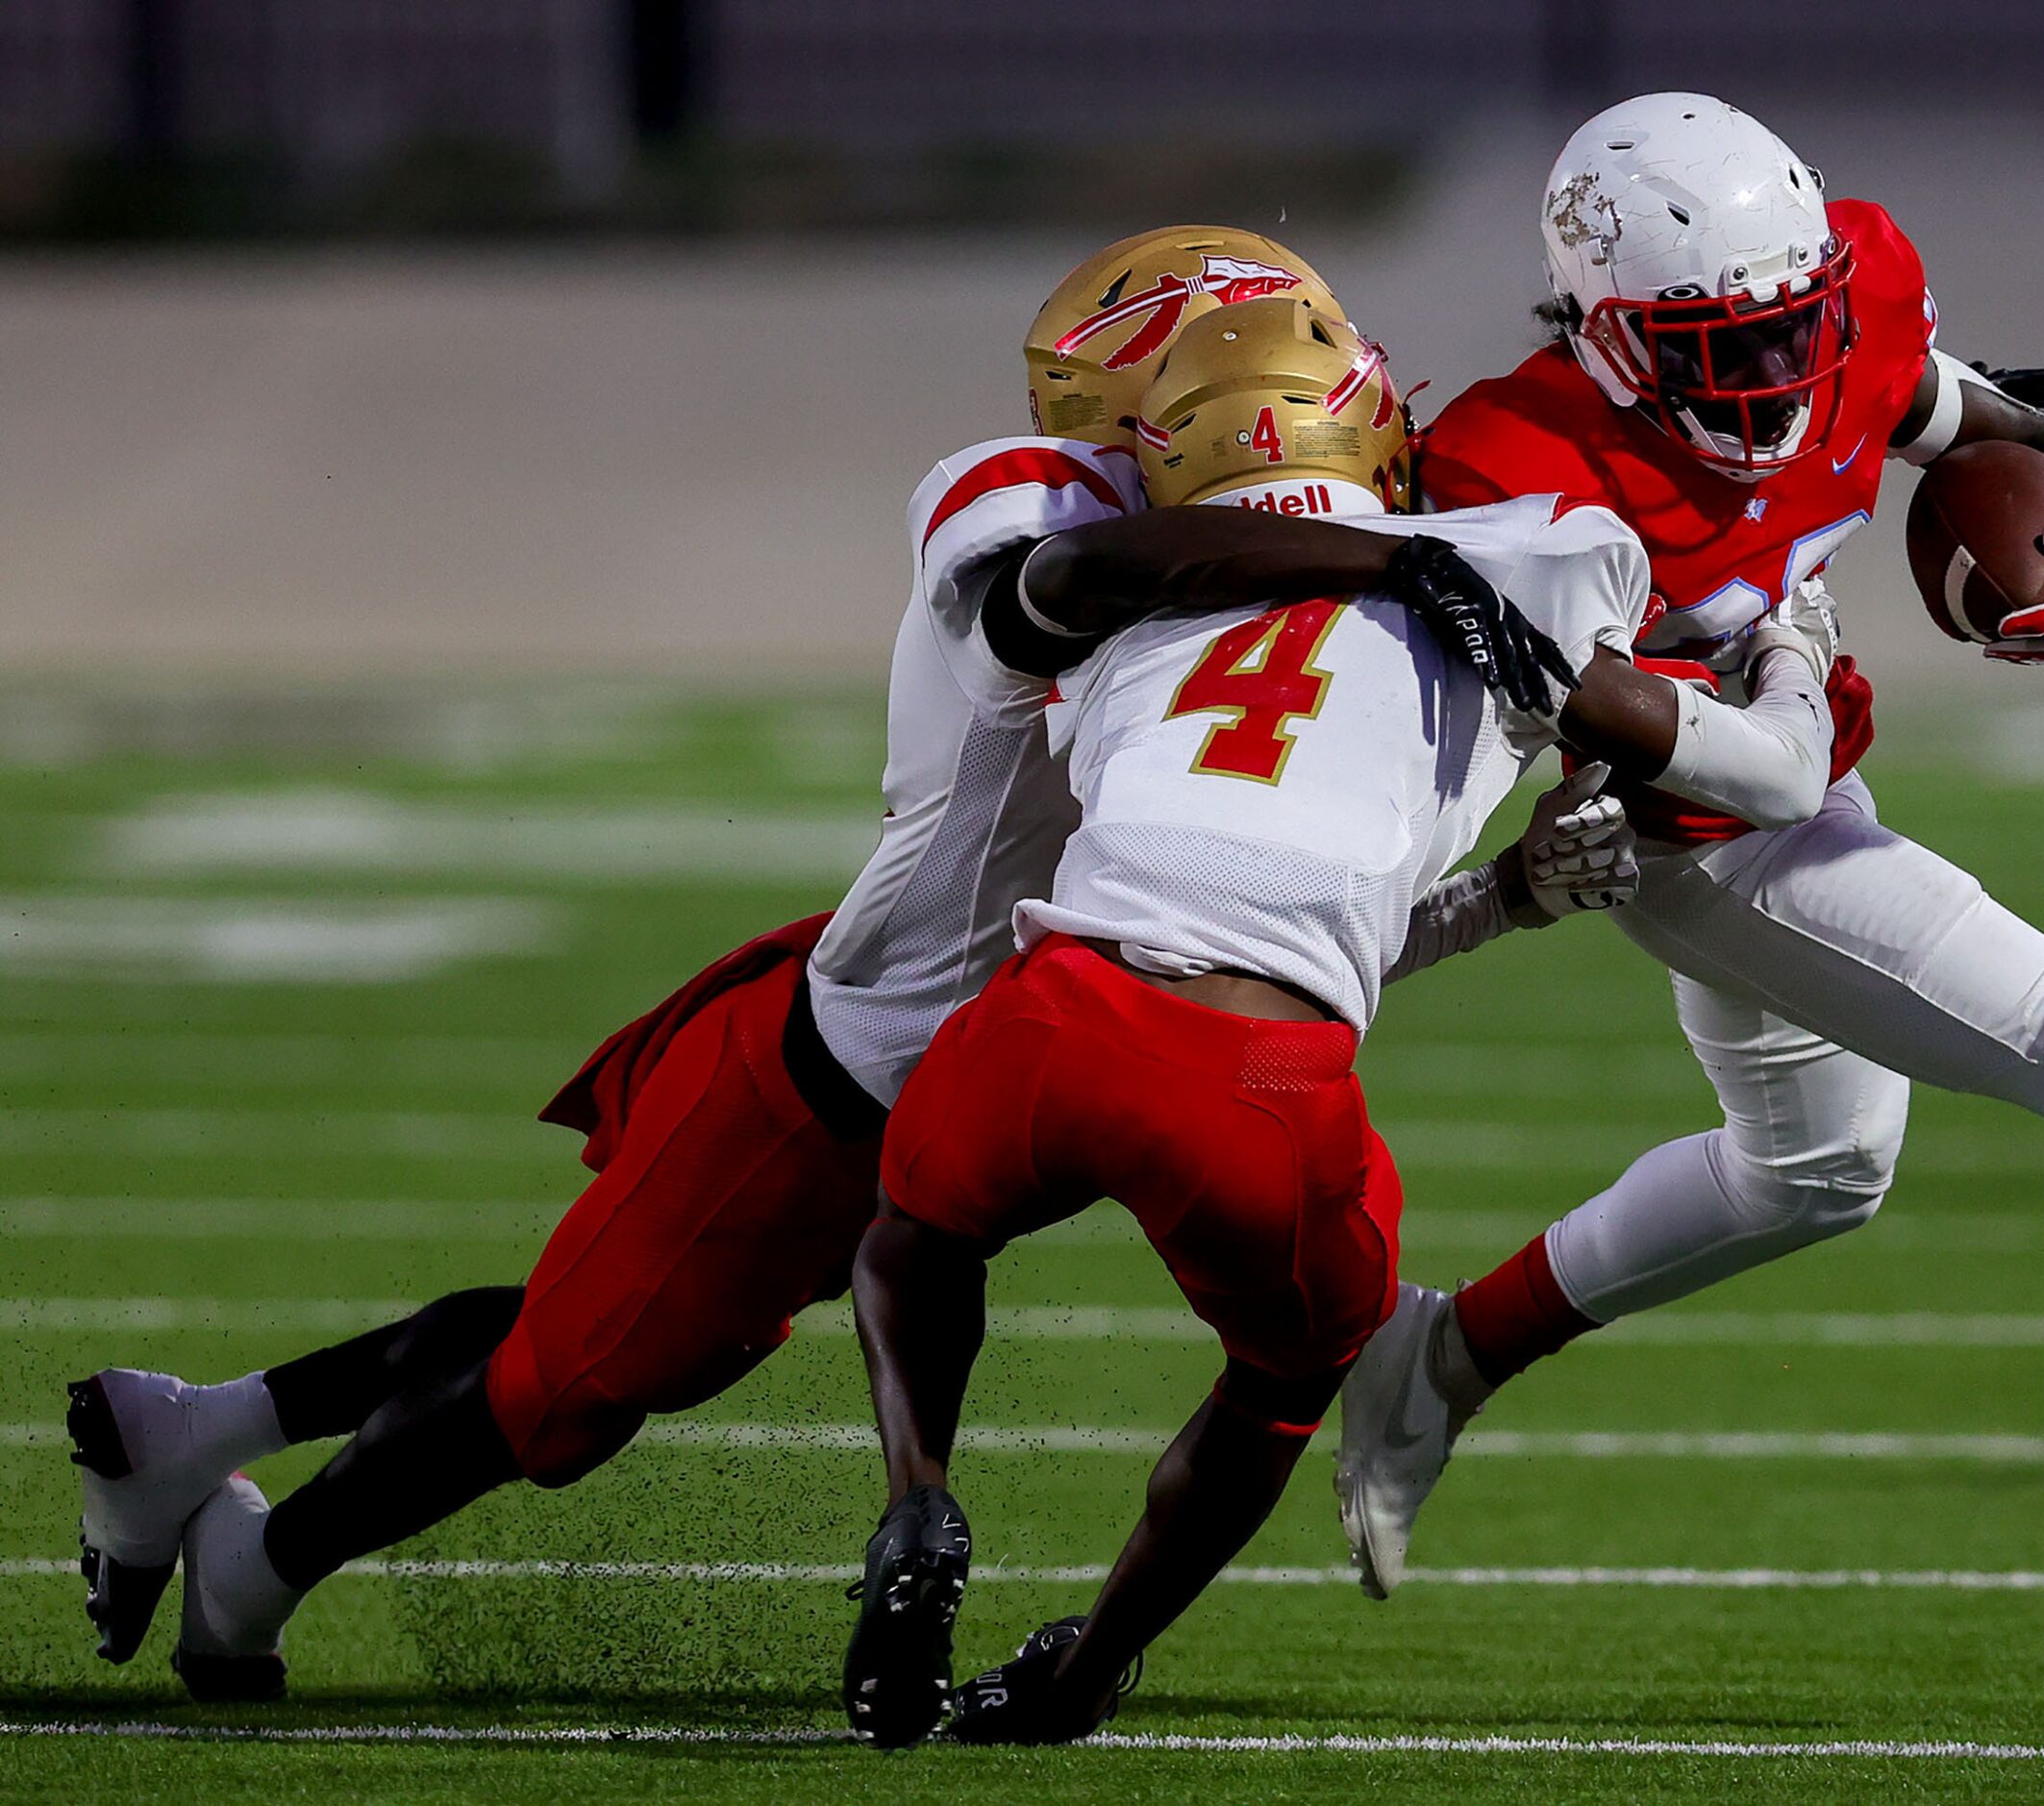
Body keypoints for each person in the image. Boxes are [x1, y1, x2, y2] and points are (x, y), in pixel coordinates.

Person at [62, 227, 1591, 1701]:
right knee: (572, 1383)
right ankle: (251, 1556)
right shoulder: (1040, 514)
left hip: (1026, 1025)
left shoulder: (1293, 556)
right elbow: (1072, 589)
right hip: (864, 1063)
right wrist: (1404, 563)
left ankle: (192, 1435)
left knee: (618, 1332)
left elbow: (1280, 908)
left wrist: (1506, 879)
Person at [1334, 92, 2044, 1625]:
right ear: (1603, 331)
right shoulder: (1519, 463)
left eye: (1795, 328)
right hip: (1687, 840)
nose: (1775, 380)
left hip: (1797, 792)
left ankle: (1443, 1354)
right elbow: (1745, 765)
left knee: (1814, 1167)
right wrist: (1775, 663)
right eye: (1717, 348)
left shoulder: (1853, 298)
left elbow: (2003, 428)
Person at [839, 293, 1853, 1747]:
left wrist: (1503, 887)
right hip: (1268, 1079)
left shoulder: (1125, 604)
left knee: (914, 1231)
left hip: (1062, 1006)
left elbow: (1217, 871)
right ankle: (1083, 1669)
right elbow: (1771, 777)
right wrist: (1794, 641)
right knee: (1286, 1377)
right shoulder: (1540, 563)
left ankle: (918, 1494)